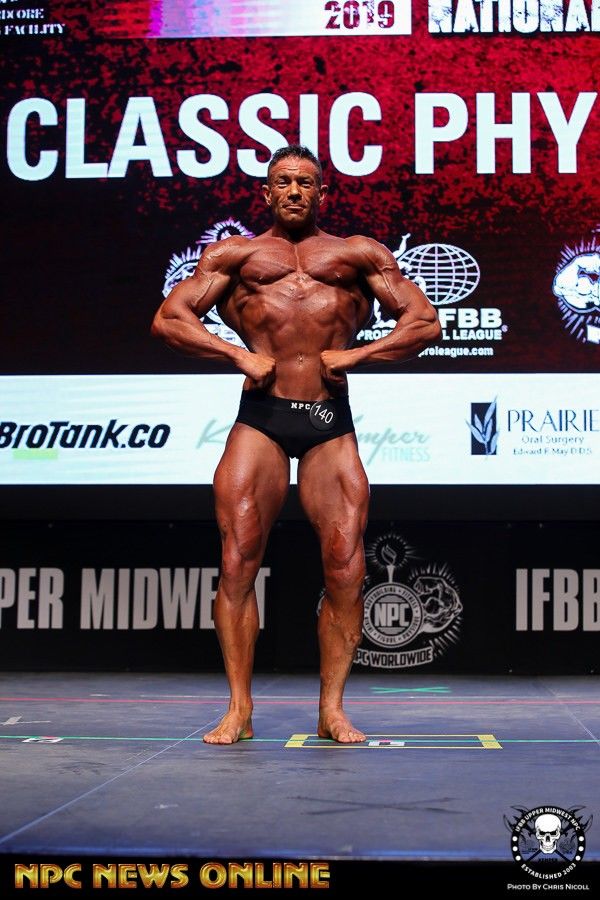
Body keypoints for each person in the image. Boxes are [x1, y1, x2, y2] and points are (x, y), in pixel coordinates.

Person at [151, 145, 441, 744]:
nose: (294, 192)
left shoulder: (358, 254)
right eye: (283, 181)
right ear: (266, 192)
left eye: (305, 183)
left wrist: (357, 356)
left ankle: (332, 710)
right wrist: (236, 355)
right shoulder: (235, 256)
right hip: (262, 416)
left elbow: (423, 322)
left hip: (329, 419)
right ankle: (239, 708)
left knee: (345, 564)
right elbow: (169, 319)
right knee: (237, 559)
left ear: (322, 193)